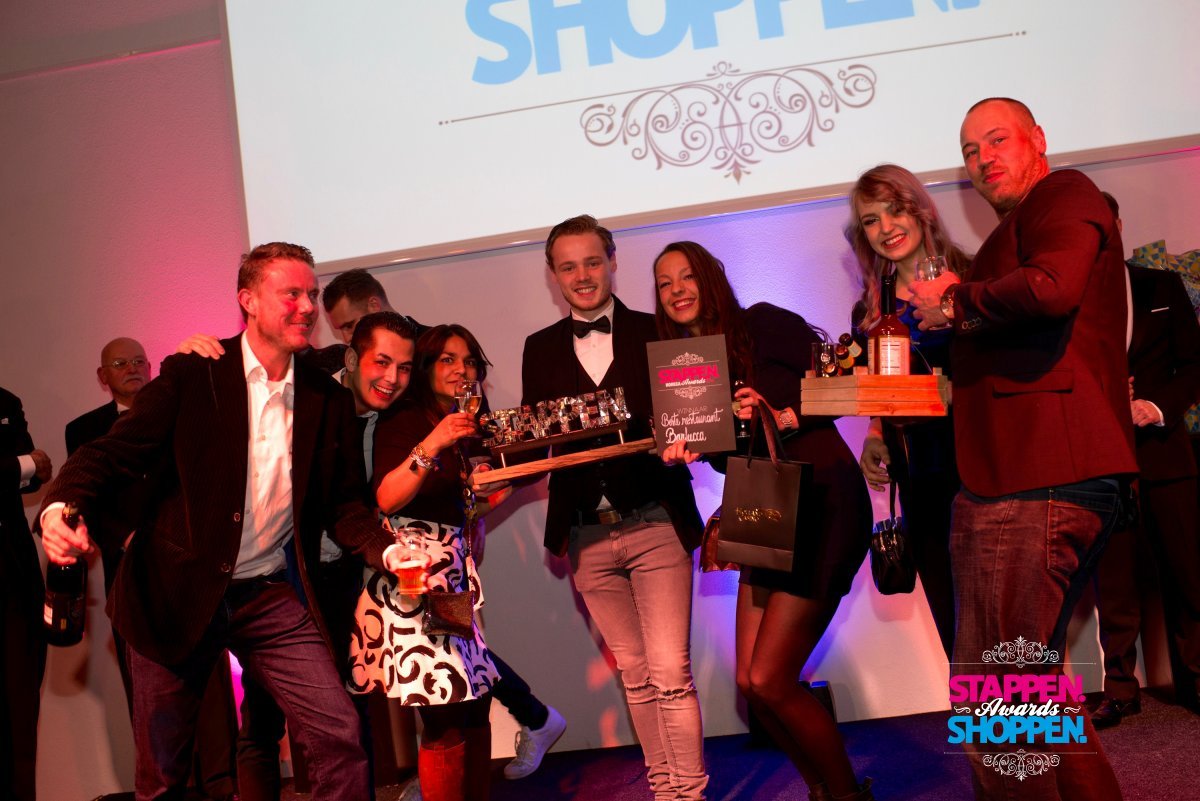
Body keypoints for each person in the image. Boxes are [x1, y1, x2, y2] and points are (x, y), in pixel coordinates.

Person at [38, 242, 404, 801]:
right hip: (172, 593)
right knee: (164, 773)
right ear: (248, 301)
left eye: (312, 294)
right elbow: (109, 454)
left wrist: (388, 550)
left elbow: (343, 506)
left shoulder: (324, 397)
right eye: (291, 294)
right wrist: (58, 508)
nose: (308, 307)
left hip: (266, 595)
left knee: (339, 733)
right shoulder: (196, 373)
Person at [912, 98, 1137, 800]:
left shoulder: (1064, 193)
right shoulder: (1012, 234)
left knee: (997, 701)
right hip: (1019, 478)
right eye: (969, 151)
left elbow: (1052, 288)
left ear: (1038, 139)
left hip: (1039, 477)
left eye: (997, 140)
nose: (983, 159)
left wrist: (955, 304)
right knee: (1031, 690)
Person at [654, 241, 874, 801]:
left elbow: (845, 382)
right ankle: (823, 791)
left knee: (772, 677)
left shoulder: (763, 323)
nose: (677, 290)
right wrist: (694, 450)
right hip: (766, 511)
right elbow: (734, 458)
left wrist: (780, 413)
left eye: (687, 276)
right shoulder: (687, 374)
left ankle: (846, 796)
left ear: (711, 278)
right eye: (664, 283)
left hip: (821, 502)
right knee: (751, 682)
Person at [521, 215, 706, 800]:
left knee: (670, 673)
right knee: (636, 676)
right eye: (568, 267)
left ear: (612, 262)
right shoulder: (538, 348)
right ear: (553, 276)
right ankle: (664, 789)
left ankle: (689, 794)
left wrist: (695, 440)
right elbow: (536, 442)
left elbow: (694, 419)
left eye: (592, 262)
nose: (582, 276)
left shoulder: (658, 331)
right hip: (586, 537)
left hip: (656, 522)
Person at [65, 337, 239, 800]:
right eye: (120, 363)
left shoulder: (183, 407)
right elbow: (90, 492)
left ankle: (220, 785)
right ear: (103, 377)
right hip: (132, 574)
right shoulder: (83, 430)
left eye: (139, 360)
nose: (133, 368)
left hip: (192, 567)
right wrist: (127, 538)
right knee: (150, 696)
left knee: (213, 685)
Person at [350, 324, 505, 801]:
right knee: (443, 711)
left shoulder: (465, 424)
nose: (462, 370)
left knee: (474, 704)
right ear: (426, 367)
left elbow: (465, 506)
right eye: (448, 360)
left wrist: (492, 489)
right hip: (413, 573)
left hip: (452, 573)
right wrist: (433, 443)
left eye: (469, 361)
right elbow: (386, 498)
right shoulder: (405, 417)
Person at [845, 164, 970, 657]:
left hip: (984, 467)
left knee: (1012, 618)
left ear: (920, 210)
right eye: (871, 220)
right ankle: (982, 707)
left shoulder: (974, 276)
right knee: (952, 618)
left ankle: (1033, 707)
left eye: (894, 210)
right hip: (919, 473)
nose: (886, 227)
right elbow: (883, 390)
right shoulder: (869, 311)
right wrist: (875, 430)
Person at [1090, 191, 1200, 727]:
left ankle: (1197, 676)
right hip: (1101, 460)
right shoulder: (1068, 302)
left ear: (1118, 223)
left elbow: (1194, 365)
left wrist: (1154, 406)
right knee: (1113, 582)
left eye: (1103, 223)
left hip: (1165, 453)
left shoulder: (1161, 285)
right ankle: (1120, 689)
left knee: (1190, 571)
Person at [1, 386, 51, 801]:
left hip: (13, 575)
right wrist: (21, 464)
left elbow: (41, 472)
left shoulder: (5, 402)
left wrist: (25, 466)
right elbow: (31, 464)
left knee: (20, 705)